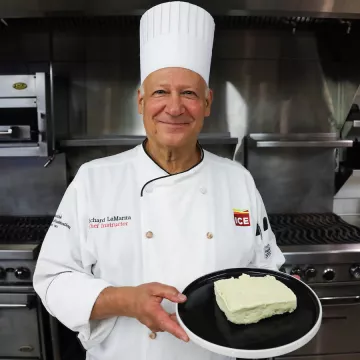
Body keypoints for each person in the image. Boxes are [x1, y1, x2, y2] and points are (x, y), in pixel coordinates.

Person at [33, 2, 285, 360]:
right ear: (140, 100)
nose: (175, 107)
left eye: (189, 93)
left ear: (208, 103)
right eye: (160, 92)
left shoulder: (237, 180)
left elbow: (267, 271)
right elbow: (52, 281)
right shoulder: (94, 181)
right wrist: (126, 300)